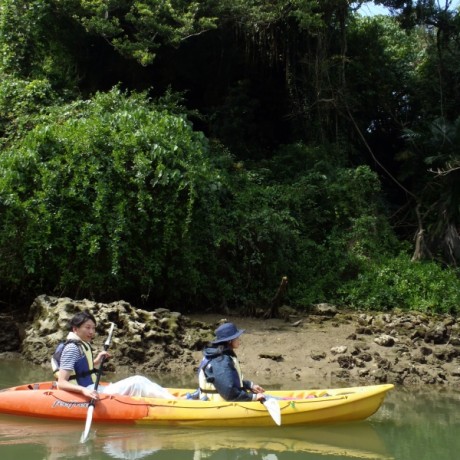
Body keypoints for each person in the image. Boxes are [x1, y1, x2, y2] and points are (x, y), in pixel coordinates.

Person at [51, 310, 176, 400]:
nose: (91, 332)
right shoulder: (72, 348)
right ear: (75, 329)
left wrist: (97, 361)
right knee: (137, 382)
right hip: (86, 391)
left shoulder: (80, 345)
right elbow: (62, 383)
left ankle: (171, 398)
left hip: (93, 387)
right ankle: (174, 403)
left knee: (140, 380)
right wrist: (84, 390)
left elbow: (79, 370)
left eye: (93, 328)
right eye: (87, 327)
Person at [197, 322, 266, 401]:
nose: (239, 340)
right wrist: (253, 397)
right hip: (218, 403)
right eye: (236, 337)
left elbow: (227, 381)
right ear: (229, 341)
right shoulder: (221, 360)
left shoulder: (220, 354)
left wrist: (250, 385)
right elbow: (229, 392)